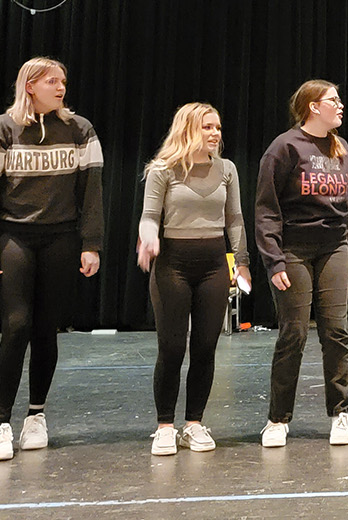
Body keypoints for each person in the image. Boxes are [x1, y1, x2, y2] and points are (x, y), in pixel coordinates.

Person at [0, 56, 103, 462]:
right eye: (52, 81)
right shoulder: (1, 129)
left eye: (63, 81)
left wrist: (91, 243)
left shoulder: (80, 129)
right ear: (30, 85)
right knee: (17, 325)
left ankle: (36, 416)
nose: (61, 87)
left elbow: (92, 194)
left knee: (47, 328)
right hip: (16, 237)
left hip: (62, 237)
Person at [137, 102, 250, 455]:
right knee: (171, 348)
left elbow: (235, 220)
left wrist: (242, 262)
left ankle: (195, 423)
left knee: (205, 347)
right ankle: (165, 426)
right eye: (207, 127)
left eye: (217, 127)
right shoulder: (162, 170)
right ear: (187, 129)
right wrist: (149, 237)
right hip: (173, 263)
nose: (215, 133)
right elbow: (149, 216)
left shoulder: (227, 169)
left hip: (214, 264)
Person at [254, 80, 348, 448]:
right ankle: (278, 418)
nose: (341, 105)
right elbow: (266, 210)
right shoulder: (284, 147)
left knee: (336, 332)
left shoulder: (341, 149)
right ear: (314, 107)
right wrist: (274, 260)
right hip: (294, 250)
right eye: (334, 100)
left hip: (334, 247)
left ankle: (340, 413)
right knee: (293, 333)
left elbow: (346, 210)